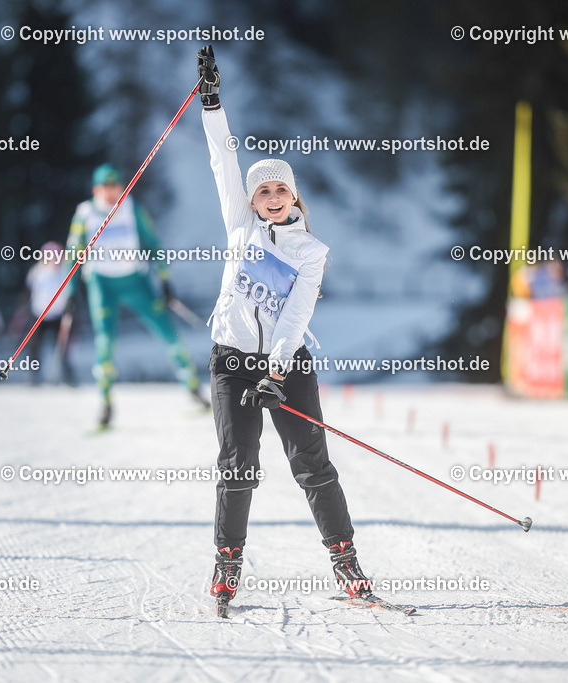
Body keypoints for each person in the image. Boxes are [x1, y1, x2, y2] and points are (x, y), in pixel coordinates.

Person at [196, 45, 372, 612]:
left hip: (286, 362)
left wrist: (276, 366)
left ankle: (347, 562)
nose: (271, 198)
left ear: (294, 196)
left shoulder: (311, 252)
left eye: (280, 190)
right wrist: (212, 104)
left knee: (312, 464)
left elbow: (296, 316)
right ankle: (227, 567)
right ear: (252, 201)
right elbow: (223, 159)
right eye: (262, 191)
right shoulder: (237, 225)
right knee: (238, 465)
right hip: (231, 359)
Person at [66, 163, 208, 428]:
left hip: (135, 281)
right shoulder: (85, 214)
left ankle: (194, 388)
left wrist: (165, 280)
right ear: (96, 189)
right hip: (102, 284)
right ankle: (106, 403)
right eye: (105, 188)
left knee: (168, 334)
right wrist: (71, 292)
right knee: (105, 344)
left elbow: (153, 243)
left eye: (115, 187)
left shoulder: (131, 208)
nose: (111, 194)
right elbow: (73, 253)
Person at [23, 241, 77, 386]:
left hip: (59, 315)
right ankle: (35, 376)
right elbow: (29, 290)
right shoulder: (36, 271)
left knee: (63, 346)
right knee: (34, 345)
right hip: (39, 314)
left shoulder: (65, 271)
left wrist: (71, 305)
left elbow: (71, 291)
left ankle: (68, 377)